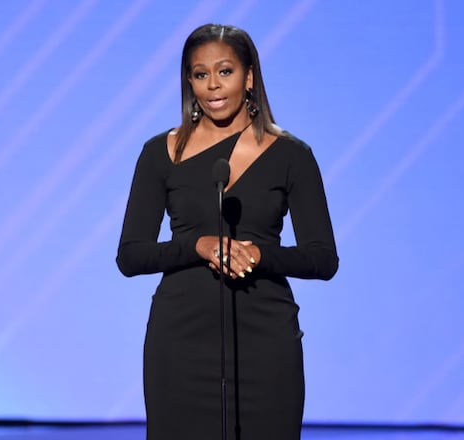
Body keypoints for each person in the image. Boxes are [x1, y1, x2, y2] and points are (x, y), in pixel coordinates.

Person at [116, 23, 338, 440]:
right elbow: (130, 255)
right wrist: (197, 246)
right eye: (200, 74)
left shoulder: (292, 156)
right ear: (189, 81)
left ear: (249, 76)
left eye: (225, 71)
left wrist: (260, 255)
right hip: (180, 342)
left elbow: (323, 258)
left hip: (265, 343)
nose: (213, 86)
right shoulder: (160, 153)